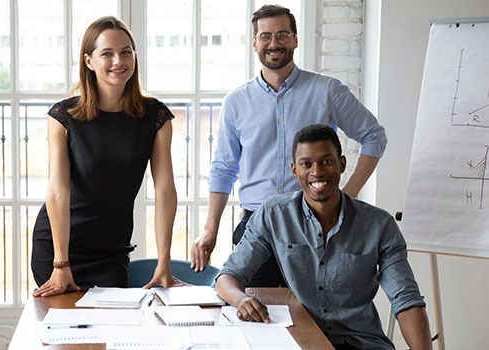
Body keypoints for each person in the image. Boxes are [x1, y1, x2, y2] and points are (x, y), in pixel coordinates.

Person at [190, 4, 388, 287]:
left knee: (315, 318)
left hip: (315, 225)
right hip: (257, 228)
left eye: (283, 35)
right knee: (255, 315)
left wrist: (349, 195)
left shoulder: (327, 91)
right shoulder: (236, 102)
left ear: (295, 39)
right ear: (255, 42)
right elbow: (224, 169)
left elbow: (374, 136)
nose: (274, 43)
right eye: (266, 36)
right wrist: (210, 229)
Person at [216, 125, 431, 350]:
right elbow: (228, 276)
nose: (317, 172)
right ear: (294, 169)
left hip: (362, 342)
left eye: (326, 161)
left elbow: (406, 300)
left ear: (342, 164)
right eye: (306, 164)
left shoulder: (379, 225)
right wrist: (241, 300)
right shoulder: (273, 214)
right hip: (302, 337)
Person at [31, 16, 179, 296]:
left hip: (111, 252)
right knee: (66, 334)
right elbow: (58, 192)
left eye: (126, 51)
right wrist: (61, 263)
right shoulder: (64, 116)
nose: (118, 61)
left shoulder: (156, 116)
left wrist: (164, 260)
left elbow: (166, 191)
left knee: (110, 334)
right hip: (59, 248)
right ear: (89, 61)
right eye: (107, 54)